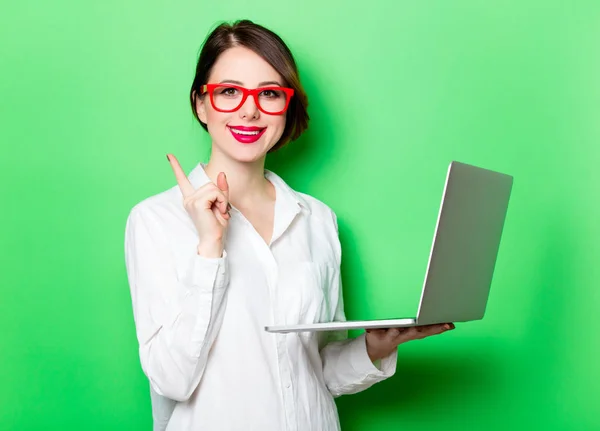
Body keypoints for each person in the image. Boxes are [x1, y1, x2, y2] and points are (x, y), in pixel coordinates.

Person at [124, 19, 455, 431]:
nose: (249, 109)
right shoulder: (156, 220)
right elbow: (171, 380)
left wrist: (374, 347)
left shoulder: (318, 220)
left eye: (269, 94)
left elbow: (317, 373)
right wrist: (210, 249)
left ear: (287, 105)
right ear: (200, 103)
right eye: (229, 91)